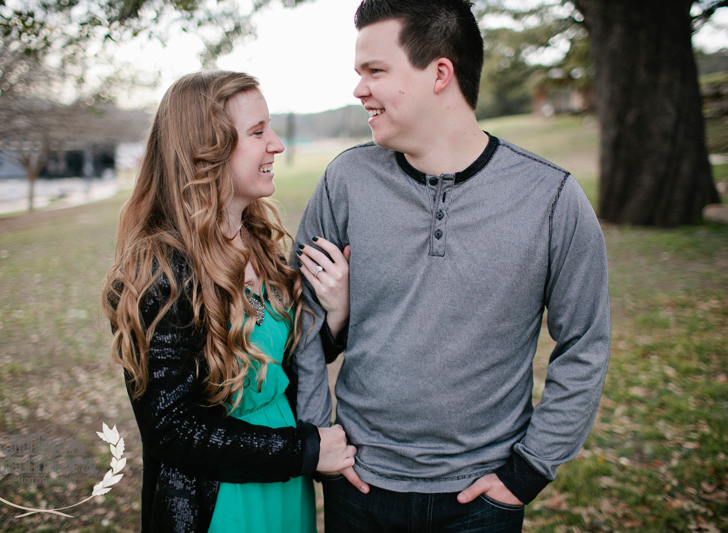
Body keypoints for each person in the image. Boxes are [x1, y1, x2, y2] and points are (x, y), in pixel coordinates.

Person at [292, 1, 612, 531]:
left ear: (440, 73)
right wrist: (316, 437)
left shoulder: (550, 197)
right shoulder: (346, 181)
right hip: (359, 488)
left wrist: (528, 472)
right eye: (359, 73)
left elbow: (585, 343)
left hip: (480, 502)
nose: (359, 89)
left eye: (375, 71)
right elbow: (299, 318)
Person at [101, 71, 356, 533]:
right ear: (208, 151)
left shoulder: (261, 244)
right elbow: (173, 429)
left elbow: (280, 363)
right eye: (258, 132)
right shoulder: (157, 273)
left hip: (285, 485)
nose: (276, 144)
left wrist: (336, 311)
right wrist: (308, 451)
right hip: (219, 500)